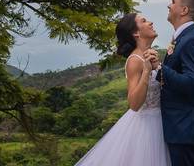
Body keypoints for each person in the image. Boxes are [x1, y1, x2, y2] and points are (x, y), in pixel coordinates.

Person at [73, 12, 171, 165]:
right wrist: (146, 71)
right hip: (147, 128)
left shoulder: (152, 55)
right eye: (144, 21)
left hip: (164, 121)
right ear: (136, 33)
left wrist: (158, 66)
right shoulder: (135, 61)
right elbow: (134, 104)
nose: (151, 22)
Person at [151, 0, 194, 166]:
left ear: (184, 10)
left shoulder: (192, 40)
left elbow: (192, 83)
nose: (169, 5)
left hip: (186, 127)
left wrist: (159, 68)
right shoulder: (183, 37)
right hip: (180, 128)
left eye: (173, 2)